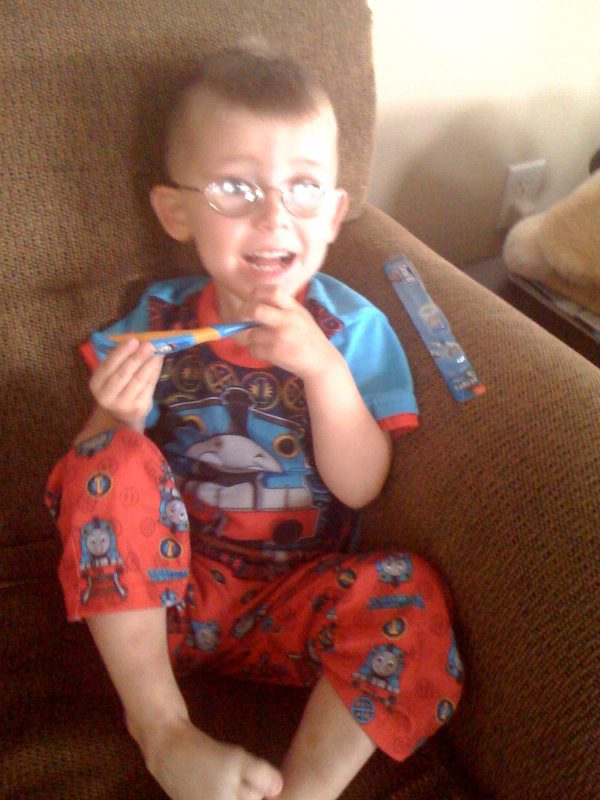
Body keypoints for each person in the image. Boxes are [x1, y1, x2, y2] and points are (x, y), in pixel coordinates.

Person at [46, 44, 463, 800]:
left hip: (296, 607)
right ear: (176, 212)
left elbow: (362, 486)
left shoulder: (351, 332)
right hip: (163, 602)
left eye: (303, 188)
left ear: (332, 215)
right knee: (108, 456)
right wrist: (116, 416)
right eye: (236, 188)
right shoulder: (157, 323)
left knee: (410, 593)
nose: (274, 215)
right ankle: (163, 730)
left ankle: (302, 790)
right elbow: (85, 486)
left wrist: (323, 372)